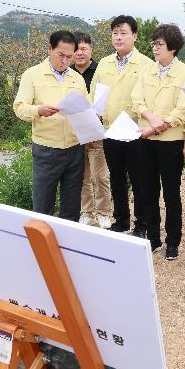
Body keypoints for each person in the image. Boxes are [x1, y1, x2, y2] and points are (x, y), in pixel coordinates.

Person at [131, 23, 185, 259]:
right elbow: (136, 98)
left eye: (159, 44)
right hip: (144, 138)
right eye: (154, 44)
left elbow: (184, 109)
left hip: (170, 142)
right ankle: (153, 237)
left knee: (171, 192)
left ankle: (173, 240)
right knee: (147, 189)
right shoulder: (147, 70)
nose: (155, 49)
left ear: (173, 48)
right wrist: (150, 119)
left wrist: (160, 126)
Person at [14, 30, 89, 221]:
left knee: (71, 207)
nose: (64, 60)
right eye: (60, 54)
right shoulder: (32, 75)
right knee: (43, 206)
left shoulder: (77, 78)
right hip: (47, 150)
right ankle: (41, 247)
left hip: (75, 149)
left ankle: (67, 247)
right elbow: (20, 108)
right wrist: (39, 110)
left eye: (69, 57)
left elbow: (85, 108)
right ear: (49, 49)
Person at [93, 15, 156, 237]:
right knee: (117, 180)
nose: (118, 38)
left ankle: (142, 225)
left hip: (135, 132)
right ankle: (121, 221)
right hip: (111, 131)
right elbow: (96, 97)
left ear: (135, 36)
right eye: (115, 33)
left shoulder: (147, 65)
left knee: (139, 181)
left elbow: (150, 99)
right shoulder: (104, 64)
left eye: (123, 33)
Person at [72, 32, 112, 229]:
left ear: (90, 50)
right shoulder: (68, 74)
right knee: (82, 177)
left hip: (97, 132)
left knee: (101, 176)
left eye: (84, 49)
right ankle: (86, 213)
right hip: (76, 135)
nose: (80, 53)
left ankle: (104, 213)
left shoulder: (99, 71)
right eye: (76, 49)